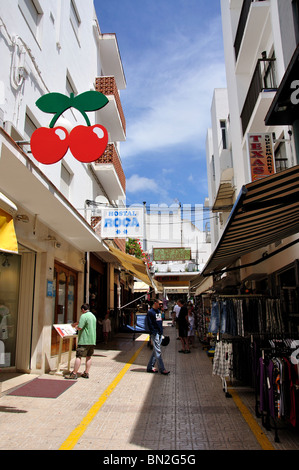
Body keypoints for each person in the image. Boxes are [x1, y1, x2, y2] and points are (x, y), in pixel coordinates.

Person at [65, 303, 96, 379]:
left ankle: (74, 373)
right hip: (92, 340)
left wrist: (75, 327)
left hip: (84, 340)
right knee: (89, 356)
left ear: (82, 309)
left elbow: (80, 327)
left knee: (78, 356)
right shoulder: (93, 316)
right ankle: (86, 373)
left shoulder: (83, 316)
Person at [146, 299, 170, 375]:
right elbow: (149, 324)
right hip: (155, 333)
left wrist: (161, 332)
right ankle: (162, 369)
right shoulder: (150, 312)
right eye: (160, 304)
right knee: (158, 351)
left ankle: (150, 367)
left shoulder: (158, 311)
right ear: (155, 303)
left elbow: (159, 322)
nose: (161, 305)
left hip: (159, 333)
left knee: (155, 351)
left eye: (162, 304)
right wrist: (153, 332)